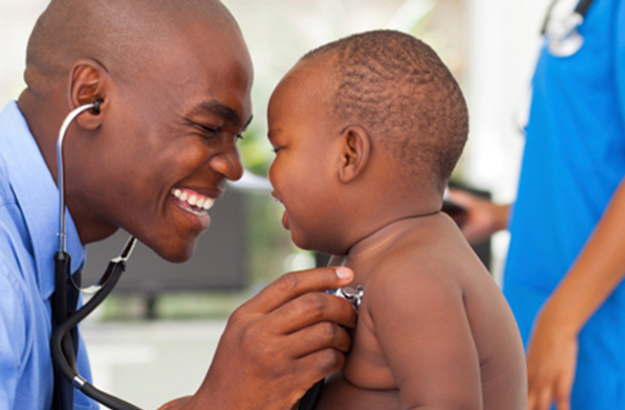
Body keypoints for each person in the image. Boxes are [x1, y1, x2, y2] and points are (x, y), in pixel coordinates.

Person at [0, 1, 358, 409]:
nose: (234, 167)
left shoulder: (40, 243)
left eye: (235, 137)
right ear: (90, 99)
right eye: (207, 127)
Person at [267, 30, 527, 410]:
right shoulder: (380, 254)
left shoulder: (410, 276)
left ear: (349, 155)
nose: (269, 177)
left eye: (279, 148)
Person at [449, 0, 625, 408]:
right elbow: (589, 164)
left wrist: (561, 320)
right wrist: (504, 215)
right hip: (549, 321)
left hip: (595, 338)